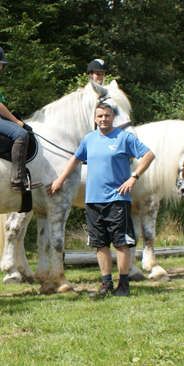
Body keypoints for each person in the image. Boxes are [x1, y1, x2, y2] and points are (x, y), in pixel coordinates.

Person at [47, 102, 155, 296]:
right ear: (95, 118)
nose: (103, 119)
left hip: (117, 199)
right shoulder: (89, 139)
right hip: (93, 201)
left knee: (120, 242)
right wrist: (60, 179)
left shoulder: (124, 137)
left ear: (113, 116)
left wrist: (133, 177)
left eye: (107, 115)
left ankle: (123, 285)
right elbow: (75, 159)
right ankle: (106, 283)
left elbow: (148, 155)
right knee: (100, 243)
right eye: (100, 116)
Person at [0, 45, 41, 191]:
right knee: (21, 134)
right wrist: (16, 121)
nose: (0, 67)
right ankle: (18, 179)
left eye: (1, 64)